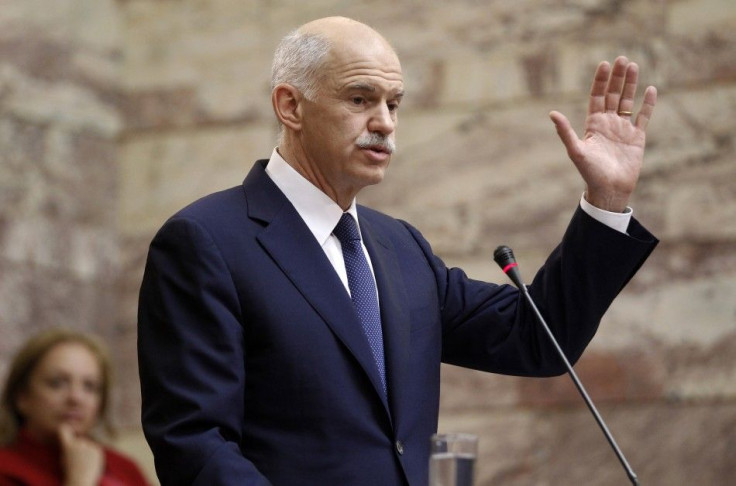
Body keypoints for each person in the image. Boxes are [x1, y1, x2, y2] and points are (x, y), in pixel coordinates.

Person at [137, 16, 658, 486]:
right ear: (290, 106)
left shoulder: (399, 248)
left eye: (394, 104)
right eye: (360, 99)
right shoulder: (207, 241)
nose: (385, 122)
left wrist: (607, 200)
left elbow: (537, 338)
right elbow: (195, 444)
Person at [0, 328, 150, 486]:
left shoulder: (124, 467)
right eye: (57, 383)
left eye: (90, 386)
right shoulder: (6, 469)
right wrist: (80, 480)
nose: (76, 398)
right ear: (22, 396)